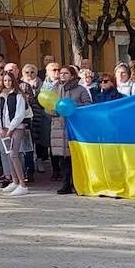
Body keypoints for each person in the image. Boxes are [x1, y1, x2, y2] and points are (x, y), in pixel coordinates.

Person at [47, 64, 92, 195]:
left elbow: (87, 105)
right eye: (61, 73)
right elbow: (48, 106)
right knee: (62, 158)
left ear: (72, 75)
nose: (62, 75)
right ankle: (66, 184)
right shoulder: (55, 88)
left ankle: (78, 183)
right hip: (59, 126)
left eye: (66, 73)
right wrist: (55, 110)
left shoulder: (80, 89)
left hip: (74, 126)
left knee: (75, 156)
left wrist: (72, 106)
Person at [0, 70, 31, 197]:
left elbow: (19, 114)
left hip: (17, 128)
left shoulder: (19, 95)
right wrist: (0, 127)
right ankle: (14, 182)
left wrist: (10, 129)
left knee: (14, 154)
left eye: (9, 80)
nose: (7, 83)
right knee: (9, 154)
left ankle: (22, 184)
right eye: (5, 81)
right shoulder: (1, 95)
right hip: (5, 128)